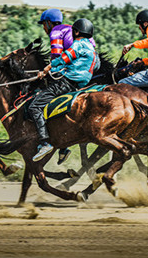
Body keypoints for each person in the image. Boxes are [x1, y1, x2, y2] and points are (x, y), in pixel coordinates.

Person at [30, 18, 98, 162]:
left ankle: (44, 143)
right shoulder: (92, 48)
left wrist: (47, 68)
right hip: (80, 85)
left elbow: (64, 58)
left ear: (76, 32)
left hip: (67, 82)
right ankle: (63, 148)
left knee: (34, 107)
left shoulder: (78, 44)